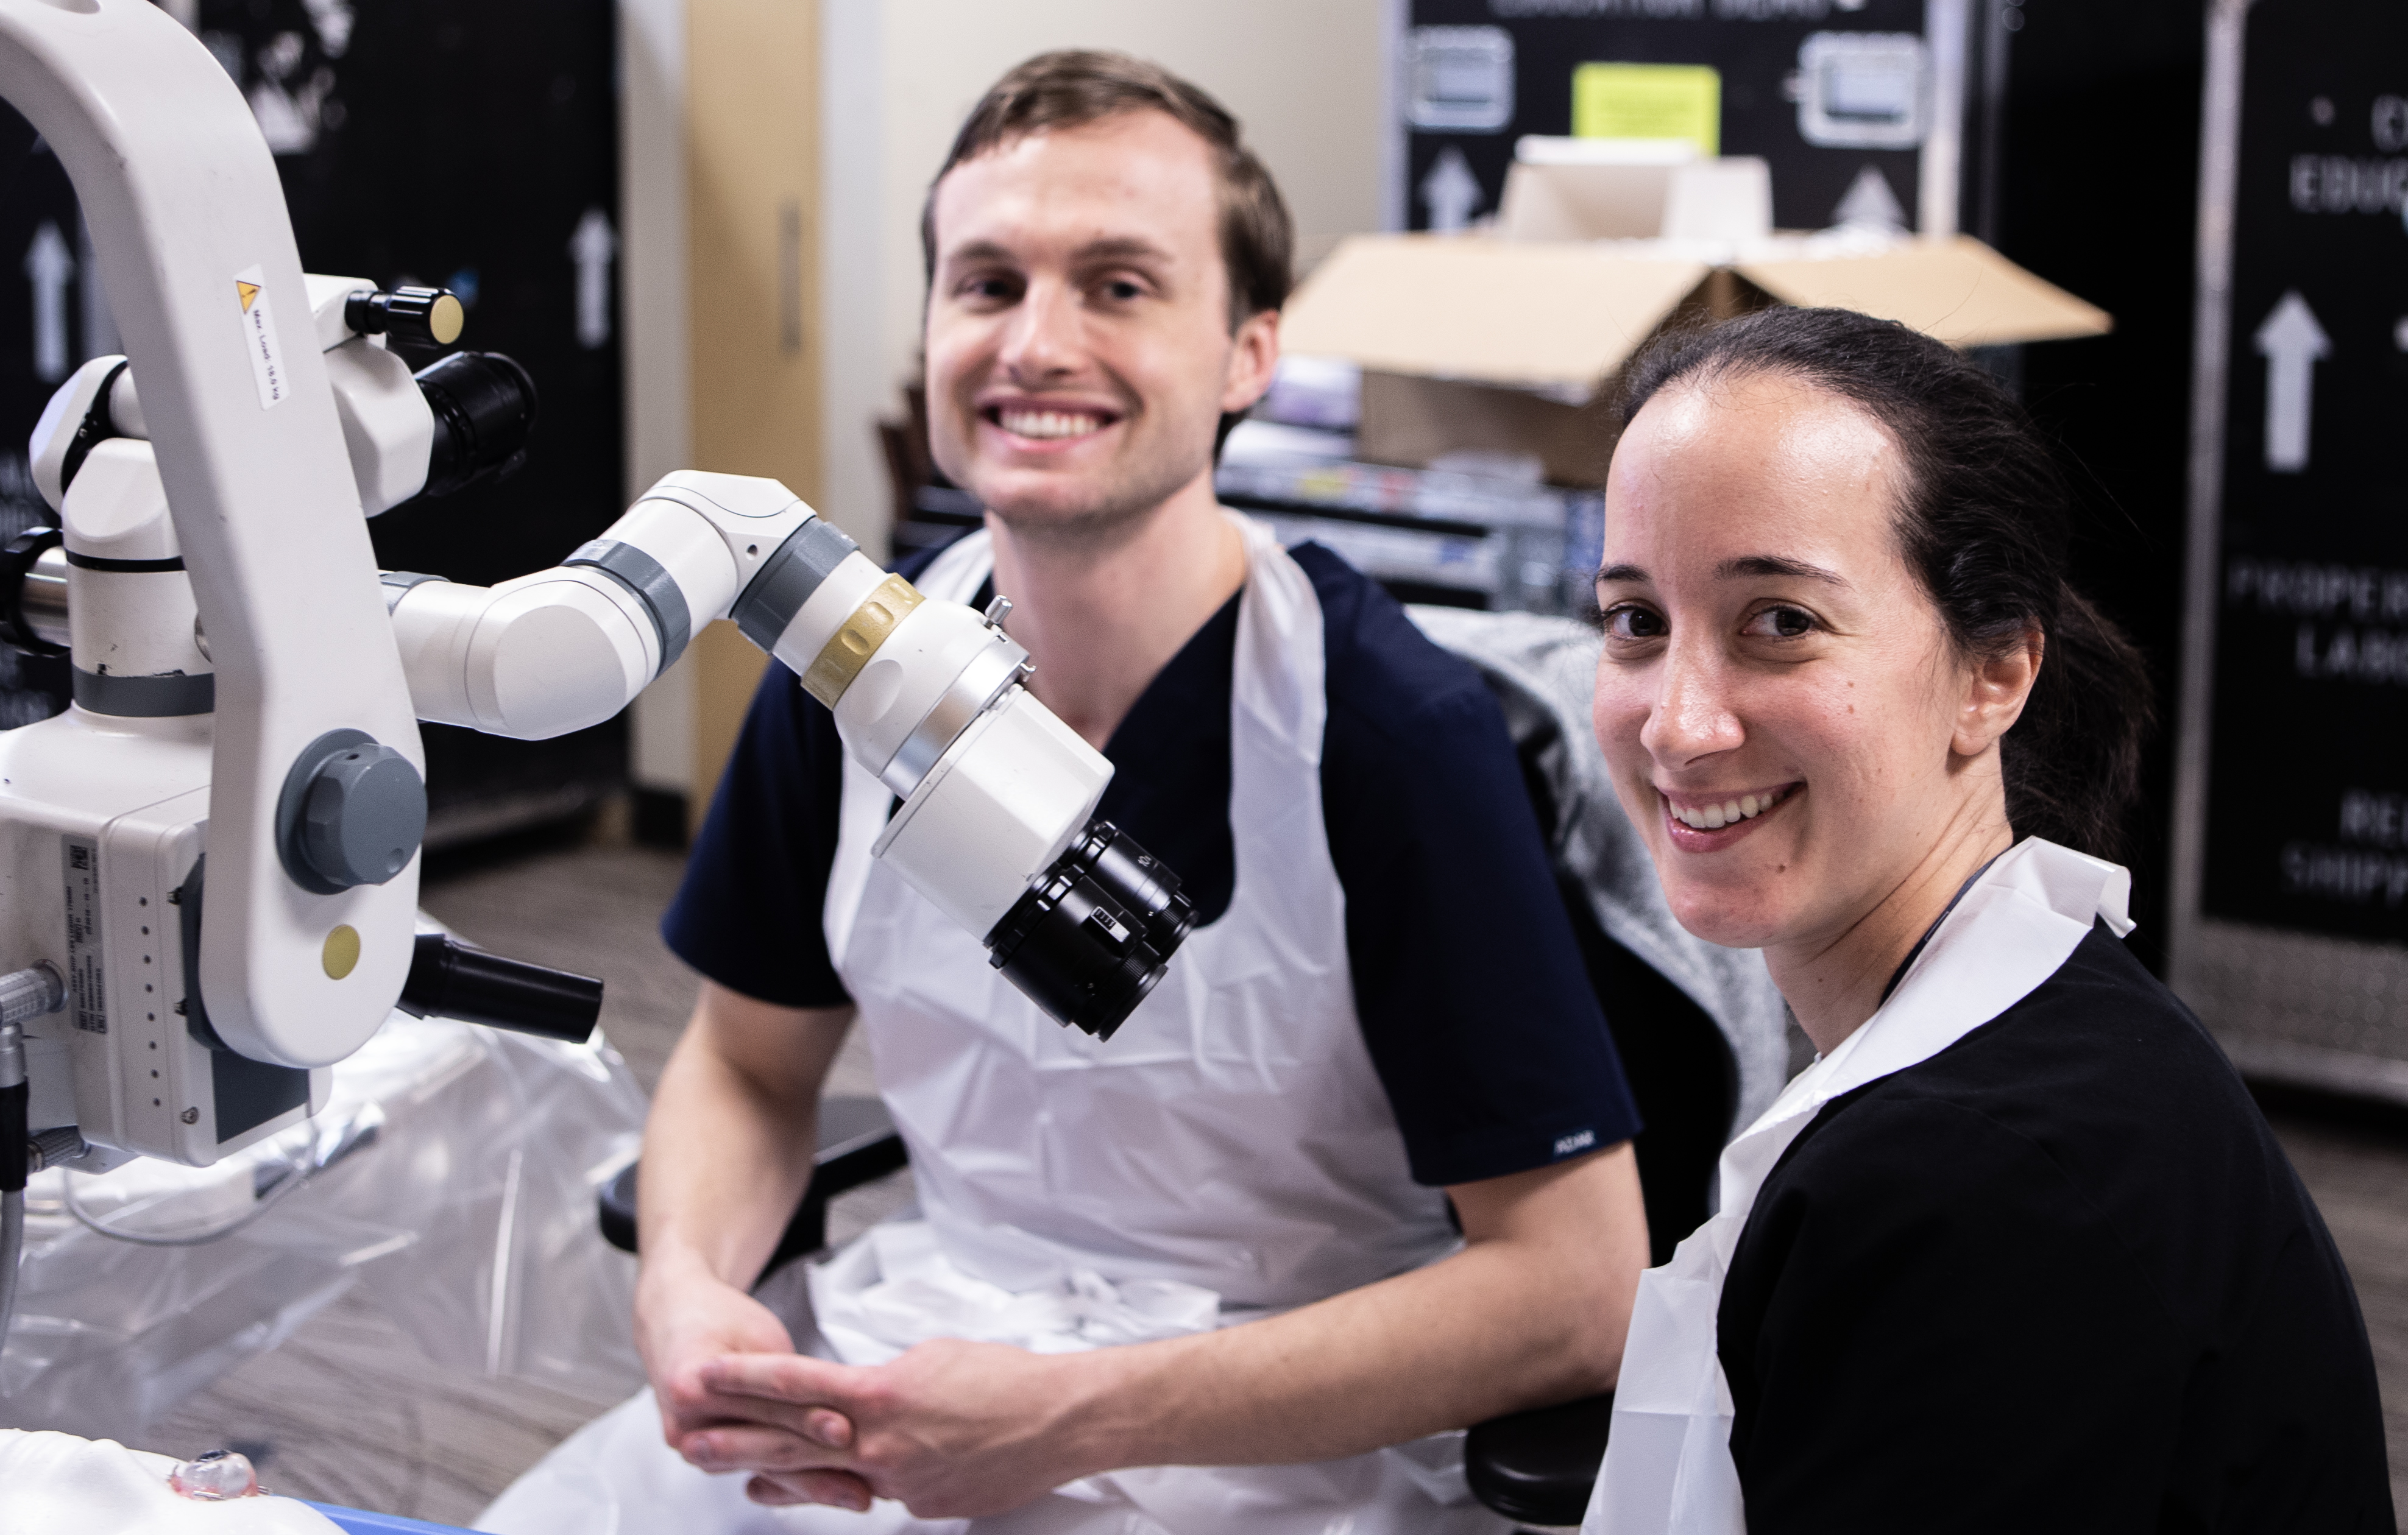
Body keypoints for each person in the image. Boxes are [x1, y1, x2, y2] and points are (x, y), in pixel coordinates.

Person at [484, 51, 1652, 1535]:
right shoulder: (848, 674)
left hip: (1277, 1442)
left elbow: (1576, 1286)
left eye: (1117, 285)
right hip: (919, 1358)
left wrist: (1066, 1420)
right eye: (985, 284)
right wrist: (687, 1292)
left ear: (1247, 354)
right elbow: (747, 1065)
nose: (1035, 343)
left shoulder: (1388, 730)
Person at [1578, 306, 2393, 1533]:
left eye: (1779, 623)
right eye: (1636, 621)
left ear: (1992, 672)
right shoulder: (2029, 1036)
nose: (1679, 724)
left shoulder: (1987, 1191)